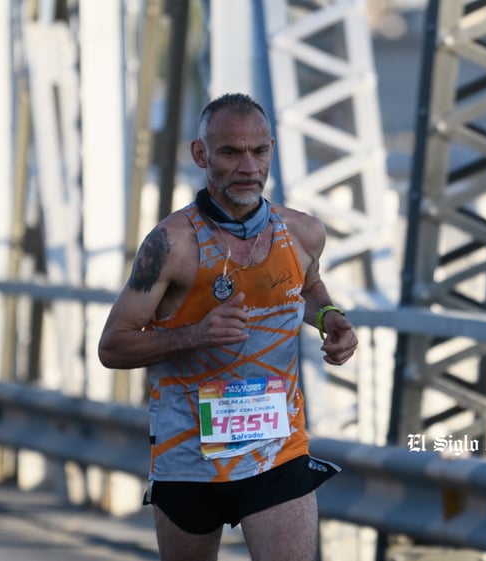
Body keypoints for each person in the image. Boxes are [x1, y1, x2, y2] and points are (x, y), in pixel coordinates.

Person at [98, 92, 358, 561]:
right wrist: (195, 334)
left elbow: (309, 287)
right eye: (230, 152)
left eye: (259, 151)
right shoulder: (170, 245)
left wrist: (329, 317)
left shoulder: (303, 233)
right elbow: (112, 347)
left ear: (272, 151)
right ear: (201, 155)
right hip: (189, 460)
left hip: (277, 450)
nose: (248, 166)